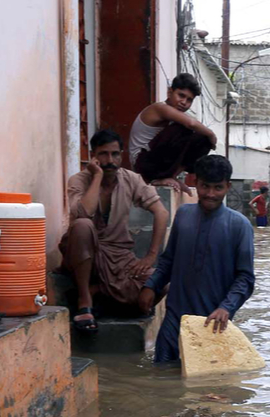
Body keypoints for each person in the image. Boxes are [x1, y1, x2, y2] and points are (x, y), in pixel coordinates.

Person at [137, 154, 255, 363]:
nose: (210, 194)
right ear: (195, 183)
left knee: (206, 389)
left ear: (227, 187)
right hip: (175, 318)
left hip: (213, 323)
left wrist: (226, 308)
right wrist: (151, 286)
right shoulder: (183, 215)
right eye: (205, 186)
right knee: (161, 374)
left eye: (217, 188)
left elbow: (245, 279)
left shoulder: (240, 226)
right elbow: (168, 260)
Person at [60, 129, 169, 333]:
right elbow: (84, 212)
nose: (110, 160)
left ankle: (99, 292)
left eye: (115, 154)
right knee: (83, 225)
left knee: (160, 284)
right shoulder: (78, 180)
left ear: (121, 154)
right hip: (84, 253)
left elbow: (161, 213)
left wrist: (150, 256)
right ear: (93, 155)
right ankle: (85, 299)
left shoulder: (131, 179)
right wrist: (98, 177)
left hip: (119, 257)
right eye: (103, 154)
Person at [129, 73, 216, 194]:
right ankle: (158, 178)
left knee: (202, 139)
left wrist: (208, 138)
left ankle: (171, 175)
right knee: (185, 129)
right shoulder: (160, 108)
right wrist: (212, 135)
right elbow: (191, 123)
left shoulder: (177, 116)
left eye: (189, 100)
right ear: (170, 92)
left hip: (156, 162)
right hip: (142, 165)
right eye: (181, 95)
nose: (184, 102)